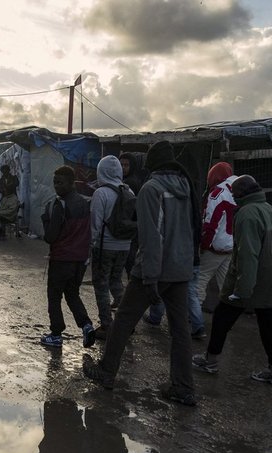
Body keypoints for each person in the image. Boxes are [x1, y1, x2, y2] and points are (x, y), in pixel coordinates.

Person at [82, 141, 196, 406]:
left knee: (122, 320)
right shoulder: (186, 188)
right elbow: (191, 229)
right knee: (180, 330)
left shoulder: (150, 189)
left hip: (154, 269)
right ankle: (183, 387)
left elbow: (151, 237)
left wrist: (151, 275)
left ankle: (107, 372)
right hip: (181, 268)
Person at [192, 175, 272, 386]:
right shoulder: (270, 209)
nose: (233, 198)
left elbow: (248, 255)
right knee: (269, 323)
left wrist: (242, 289)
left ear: (242, 194)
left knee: (222, 317)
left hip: (250, 278)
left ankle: (211, 360)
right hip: (271, 276)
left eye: (235, 195)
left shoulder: (247, 214)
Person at [39, 166, 96, 349]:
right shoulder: (84, 203)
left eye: (60, 182)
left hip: (62, 258)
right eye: (55, 182)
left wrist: (45, 220)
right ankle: (86, 325)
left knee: (54, 296)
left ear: (71, 183)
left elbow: (50, 236)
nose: (57, 186)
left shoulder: (59, 205)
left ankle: (56, 334)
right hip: (80, 260)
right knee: (72, 295)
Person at [89, 155, 135, 340]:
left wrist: (89, 247)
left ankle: (107, 325)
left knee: (101, 285)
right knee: (116, 282)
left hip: (105, 246)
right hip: (125, 245)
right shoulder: (129, 191)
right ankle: (127, 323)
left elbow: (95, 224)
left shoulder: (101, 193)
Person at [196, 161, 239, 308]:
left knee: (199, 281)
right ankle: (226, 320)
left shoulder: (217, 194)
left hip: (214, 248)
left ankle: (194, 319)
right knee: (226, 287)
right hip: (231, 247)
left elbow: (211, 224)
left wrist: (203, 245)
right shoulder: (240, 191)